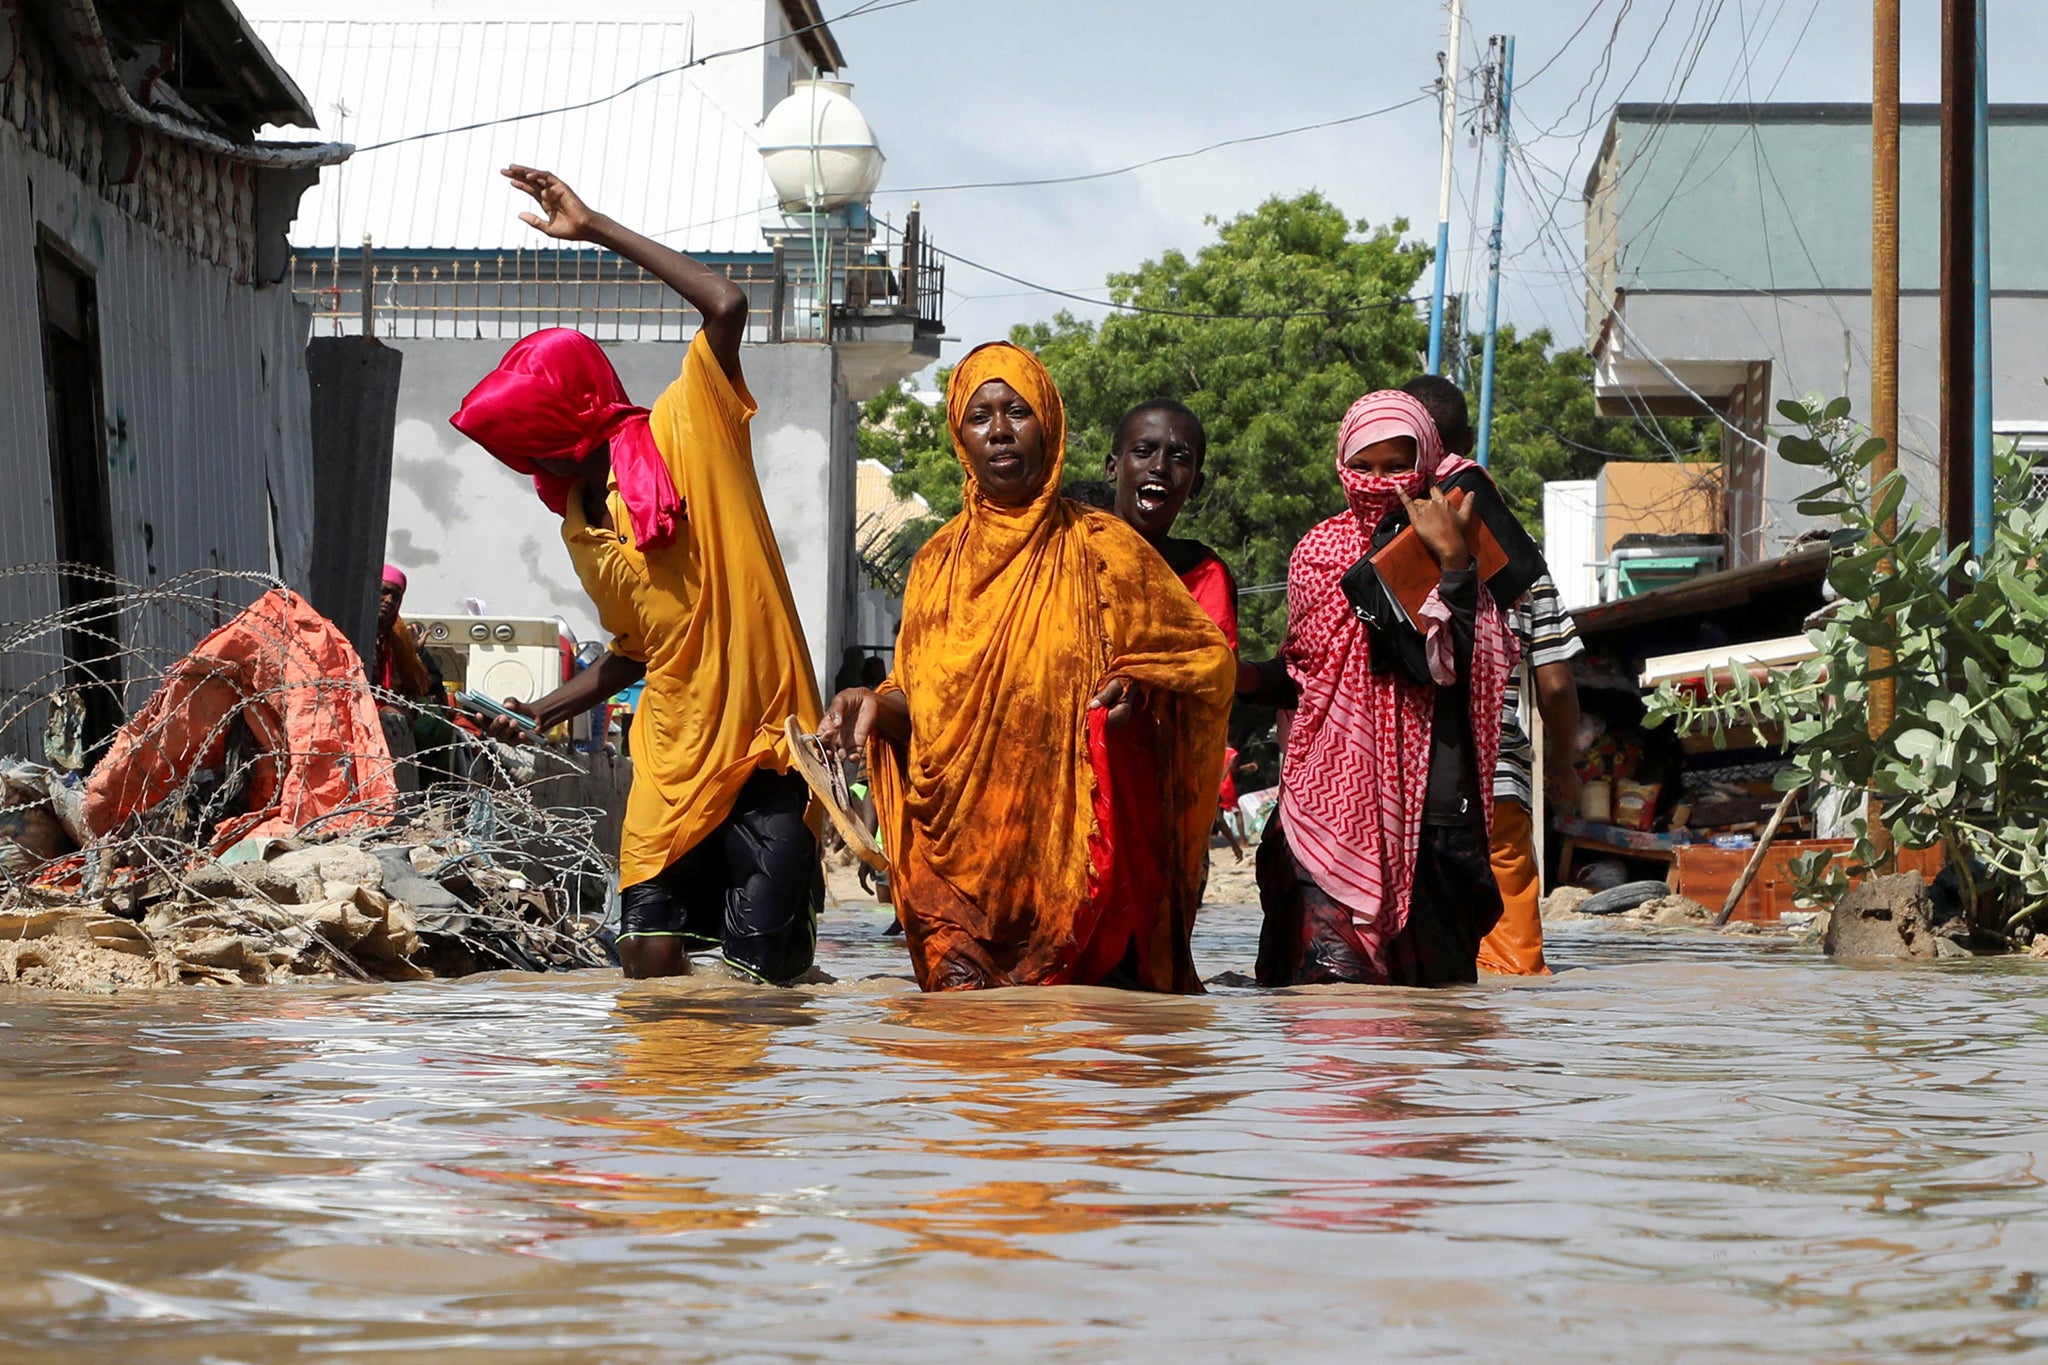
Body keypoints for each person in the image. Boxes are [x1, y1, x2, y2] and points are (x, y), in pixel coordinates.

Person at [451, 165, 823, 985]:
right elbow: (635, 651)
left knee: (760, 983)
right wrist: (537, 712)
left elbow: (725, 304)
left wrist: (594, 228)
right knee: (648, 964)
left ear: (571, 411)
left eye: (531, 437)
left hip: (764, 755)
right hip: (669, 755)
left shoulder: (692, 425)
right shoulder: (577, 525)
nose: (528, 459)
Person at [817, 342, 1235, 992]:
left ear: (1050, 423)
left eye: (1018, 410)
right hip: (959, 874)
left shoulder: (1106, 550)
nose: (1001, 430)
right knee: (962, 1055)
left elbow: (1204, 662)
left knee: (1084, 1059)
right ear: (960, 435)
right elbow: (924, 704)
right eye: (980, 416)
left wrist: (1139, 687)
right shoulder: (935, 565)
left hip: (1079, 866)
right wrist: (870, 703)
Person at [1243, 389, 1517, 987]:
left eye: (1397, 466)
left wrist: (1453, 563)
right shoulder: (1316, 552)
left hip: (1436, 809)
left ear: (1427, 462)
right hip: (1327, 799)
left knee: (1434, 1016)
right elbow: (1306, 667)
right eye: (1362, 466)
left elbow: (1470, 664)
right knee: (1330, 1002)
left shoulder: (1464, 541)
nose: (1377, 482)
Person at [1400, 375, 1583, 976]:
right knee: (1511, 975)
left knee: (1407, 978)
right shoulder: (1524, 565)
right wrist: (1561, 767)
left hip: (1402, 781)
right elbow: (1554, 684)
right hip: (1496, 779)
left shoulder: (1384, 551)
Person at [1103, 399, 1238, 648]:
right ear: (1113, 468)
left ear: (1196, 485)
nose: (1159, 467)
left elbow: (1213, 672)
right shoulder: (1069, 552)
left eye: (1179, 458)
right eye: (1143, 452)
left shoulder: (1203, 575)